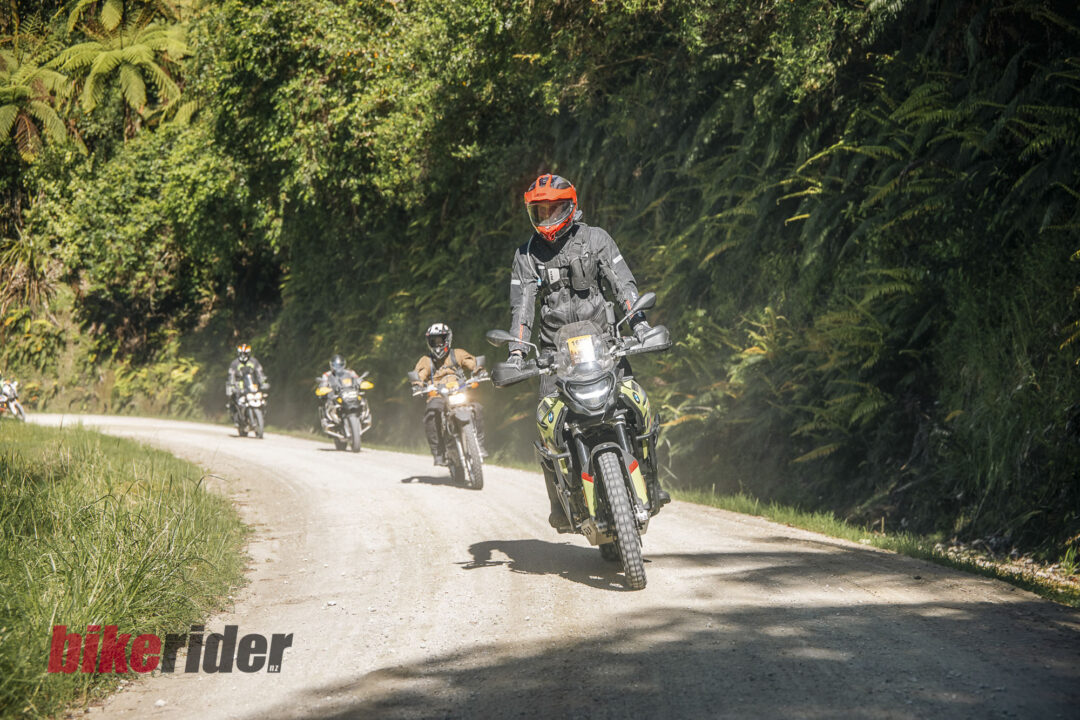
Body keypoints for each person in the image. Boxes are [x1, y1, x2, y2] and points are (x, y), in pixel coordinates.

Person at [506, 173, 669, 528]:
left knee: (637, 406)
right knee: (547, 429)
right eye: (540, 212)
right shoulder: (527, 255)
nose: (547, 219)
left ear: (571, 207)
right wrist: (517, 353)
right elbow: (522, 307)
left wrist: (638, 324)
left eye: (554, 210)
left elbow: (623, 283)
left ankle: (653, 484)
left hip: (605, 346)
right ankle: (560, 504)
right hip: (555, 358)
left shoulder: (596, 239)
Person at [412, 323, 487, 465]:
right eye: (434, 341)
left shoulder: (457, 353)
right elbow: (420, 373)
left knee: (477, 407)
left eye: (440, 340)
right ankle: (438, 453)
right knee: (431, 413)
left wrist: (479, 370)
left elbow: (471, 362)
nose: (438, 344)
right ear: (429, 342)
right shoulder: (426, 360)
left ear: (448, 339)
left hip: (460, 390)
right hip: (438, 395)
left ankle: (480, 446)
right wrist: (417, 385)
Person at [226, 343, 268, 422]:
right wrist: (232, 386)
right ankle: (237, 417)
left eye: (245, 354)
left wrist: (263, 383)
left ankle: (261, 417)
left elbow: (260, 373)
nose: (243, 355)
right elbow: (231, 375)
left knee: (263, 401)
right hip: (239, 387)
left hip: (252, 386)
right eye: (241, 353)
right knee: (236, 401)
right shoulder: (235, 363)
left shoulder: (254, 361)